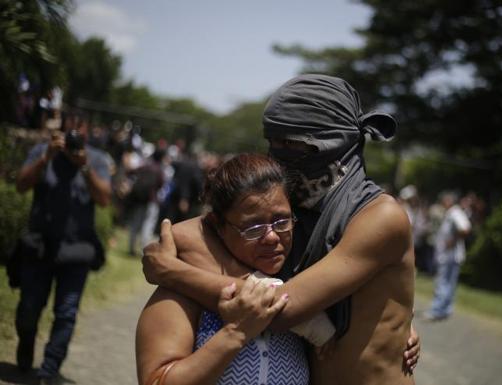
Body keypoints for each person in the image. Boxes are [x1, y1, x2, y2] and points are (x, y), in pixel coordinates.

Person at [142, 74, 419, 384]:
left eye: (295, 145)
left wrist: (173, 273)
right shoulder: (293, 204)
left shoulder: (379, 216)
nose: (282, 157)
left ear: (337, 141)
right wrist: (254, 281)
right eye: (275, 143)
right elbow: (190, 232)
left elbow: (284, 310)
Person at [137, 153, 327, 385]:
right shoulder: (184, 292)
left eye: (281, 221)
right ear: (219, 226)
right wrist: (235, 333)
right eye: (253, 227)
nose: (271, 237)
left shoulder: (299, 287)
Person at [13, 116, 112, 382]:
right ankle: (25, 347)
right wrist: (45, 158)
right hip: (39, 247)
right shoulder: (43, 152)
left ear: (87, 134)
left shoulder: (97, 159)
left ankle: (49, 370)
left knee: (66, 314)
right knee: (28, 310)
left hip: (76, 251)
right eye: (69, 132)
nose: (72, 139)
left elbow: (104, 199)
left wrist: (85, 168)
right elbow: (21, 185)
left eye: (78, 133)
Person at [422, 191, 471, 321]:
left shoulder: (454, 212)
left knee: (442, 283)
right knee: (449, 284)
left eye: (444, 200)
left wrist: (454, 239)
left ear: (449, 200)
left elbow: (465, 229)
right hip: (451, 256)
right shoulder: (453, 212)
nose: (443, 203)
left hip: (449, 257)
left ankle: (437, 310)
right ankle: (445, 310)